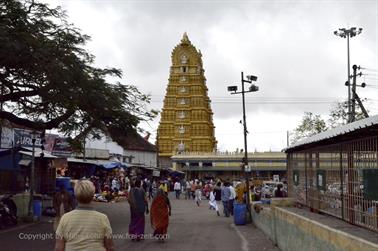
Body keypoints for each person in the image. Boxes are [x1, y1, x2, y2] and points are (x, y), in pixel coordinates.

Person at [54, 180, 114, 251]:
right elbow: (110, 247)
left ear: (75, 195)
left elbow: (59, 248)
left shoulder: (65, 218)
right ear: (92, 196)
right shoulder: (103, 218)